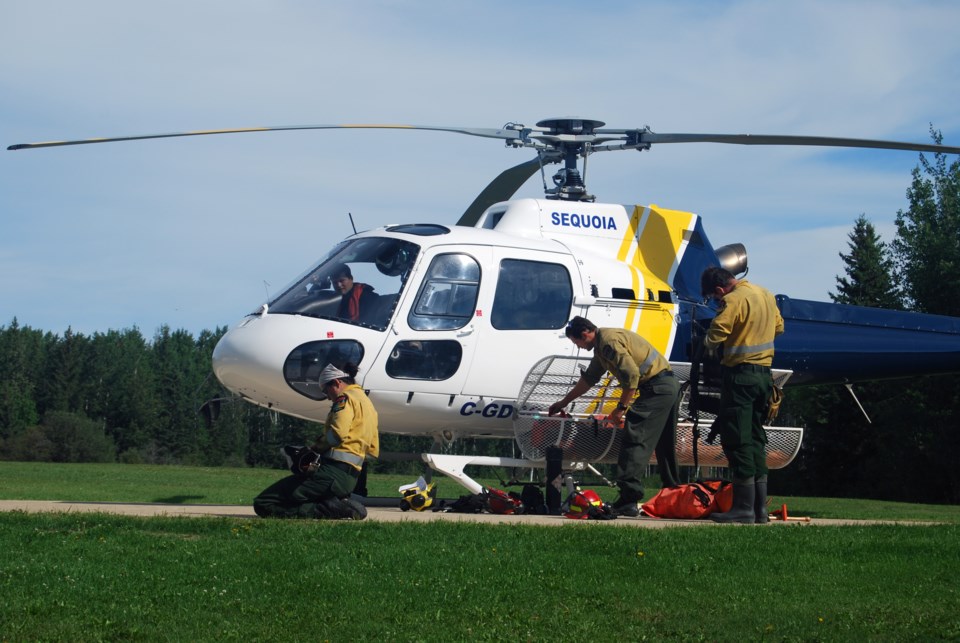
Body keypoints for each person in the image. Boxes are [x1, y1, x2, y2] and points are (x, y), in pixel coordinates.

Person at [548, 316, 681, 517]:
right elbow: (589, 379)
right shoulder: (602, 346)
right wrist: (563, 403)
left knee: (635, 435)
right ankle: (675, 494)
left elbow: (632, 375)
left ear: (585, 334)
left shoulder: (608, 343)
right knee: (663, 443)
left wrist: (621, 408)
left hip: (657, 388)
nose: (578, 347)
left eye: (577, 342)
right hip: (665, 387)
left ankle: (629, 498)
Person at [700, 267, 785, 524]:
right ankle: (759, 510)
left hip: (740, 376)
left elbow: (717, 333)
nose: (717, 302)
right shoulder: (765, 294)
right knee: (756, 439)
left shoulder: (733, 299)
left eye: (715, 298)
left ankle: (743, 509)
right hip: (763, 376)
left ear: (719, 290)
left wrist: (708, 347)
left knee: (738, 440)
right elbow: (779, 328)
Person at [253, 362, 379, 520]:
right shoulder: (368, 404)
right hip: (350, 480)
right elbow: (373, 450)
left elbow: (338, 434)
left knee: (264, 503)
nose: (327, 396)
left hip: (331, 475)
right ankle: (337, 504)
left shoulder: (344, 399)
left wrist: (315, 449)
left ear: (337, 382)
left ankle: (328, 509)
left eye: (326, 389)